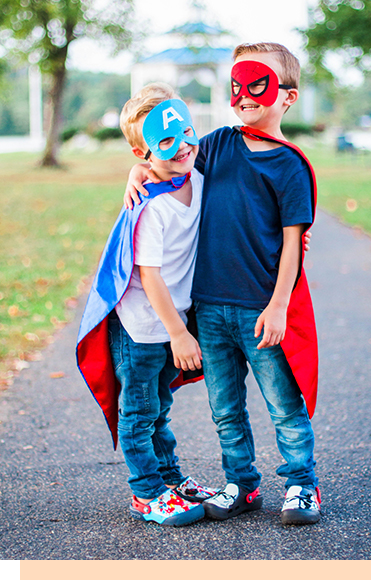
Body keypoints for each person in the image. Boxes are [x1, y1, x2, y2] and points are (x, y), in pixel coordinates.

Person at [123, 43, 321, 526]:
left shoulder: (288, 165)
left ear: (287, 97)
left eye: (258, 85)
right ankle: (242, 483)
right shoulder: (216, 144)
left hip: (259, 308)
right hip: (209, 310)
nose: (244, 95)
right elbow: (168, 157)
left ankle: (302, 484)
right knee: (225, 410)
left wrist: (278, 306)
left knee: (283, 405)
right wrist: (135, 169)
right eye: (237, 86)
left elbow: (294, 244)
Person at [76, 83, 217, 527]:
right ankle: (147, 493)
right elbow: (149, 275)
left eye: (187, 134)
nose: (182, 147)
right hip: (141, 327)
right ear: (143, 152)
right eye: (165, 142)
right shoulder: (151, 208)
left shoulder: (195, 177)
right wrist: (179, 331)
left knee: (159, 406)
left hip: (169, 322)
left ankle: (170, 480)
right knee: (138, 412)